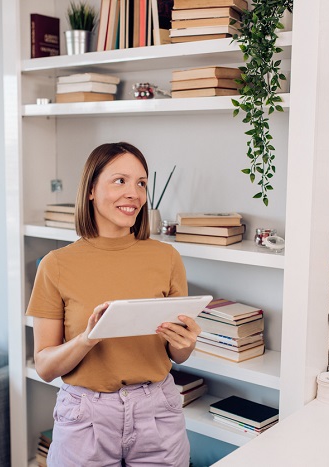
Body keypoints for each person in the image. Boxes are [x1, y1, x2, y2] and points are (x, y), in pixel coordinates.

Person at [26, 142, 201, 467]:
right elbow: (45, 367)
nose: (133, 192)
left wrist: (185, 344)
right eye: (120, 180)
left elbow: (173, 354)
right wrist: (88, 338)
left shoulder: (167, 258)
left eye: (141, 183)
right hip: (85, 419)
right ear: (91, 189)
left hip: (157, 411)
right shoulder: (55, 265)